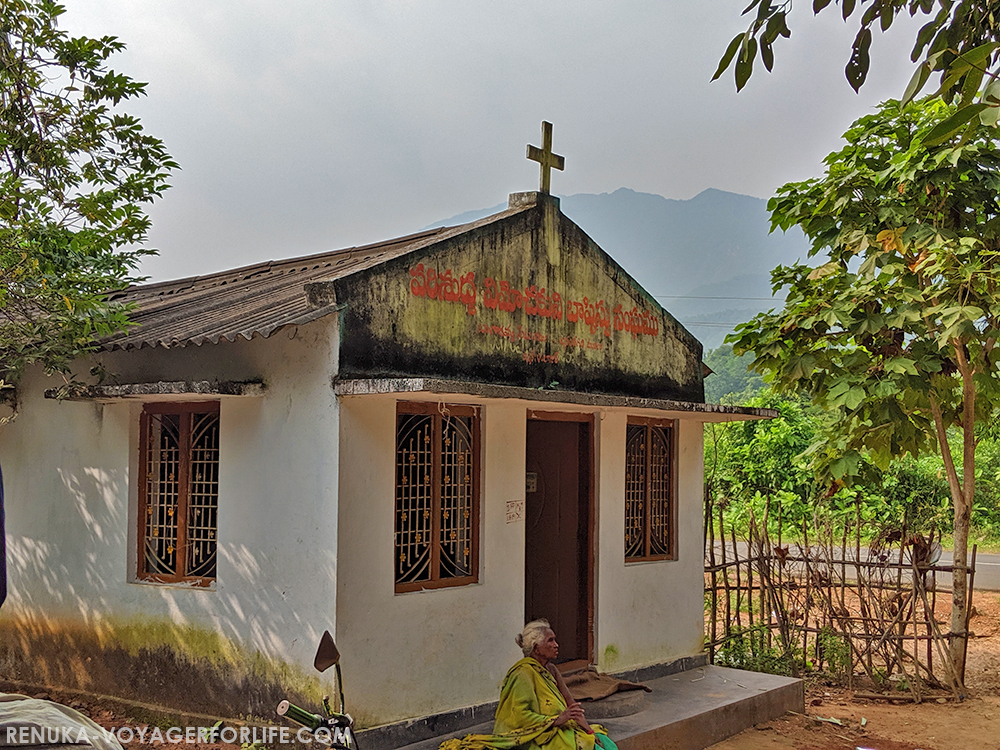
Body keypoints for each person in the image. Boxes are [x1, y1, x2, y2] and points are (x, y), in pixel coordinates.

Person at [440, 620, 617, 750]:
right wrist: (556, 720)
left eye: (555, 640)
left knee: (606, 743)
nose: (556, 645)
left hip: (561, 728)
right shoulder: (522, 674)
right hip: (535, 736)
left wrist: (586, 728)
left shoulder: (552, 670)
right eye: (550, 641)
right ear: (535, 647)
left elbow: (571, 704)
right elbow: (519, 716)